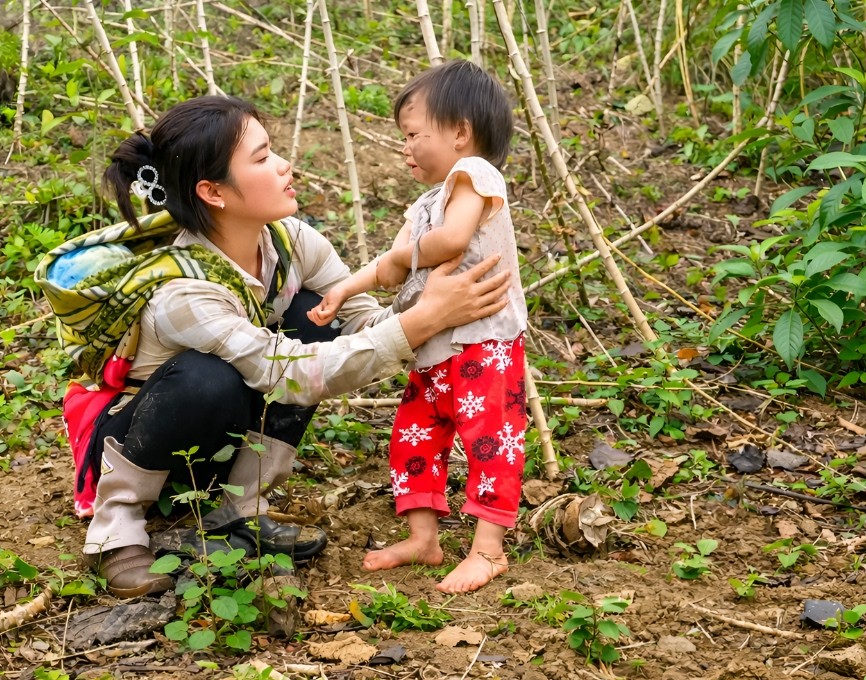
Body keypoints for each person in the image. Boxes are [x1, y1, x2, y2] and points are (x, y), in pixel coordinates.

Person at [66, 95, 511, 599]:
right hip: (140, 439)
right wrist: (424, 319)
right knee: (207, 377)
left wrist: (432, 309)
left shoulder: (290, 241)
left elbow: (359, 321)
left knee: (317, 313)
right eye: (261, 159)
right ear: (213, 192)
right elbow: (290, 375)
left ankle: (236, 509)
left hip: (211, 444)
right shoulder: (182, 292)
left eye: (272, 150)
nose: (284, 165)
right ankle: (117, 530)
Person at [307, 60, 528, 594]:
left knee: (490, 441)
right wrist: (344, 290)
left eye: (412, 135)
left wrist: (406, 253)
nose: (404, 148)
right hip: (433, 347)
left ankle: (487, 550)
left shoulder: (476, 176)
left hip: (484, 342)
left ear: (459, 133)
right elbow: (390, 267)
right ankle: (424, 538)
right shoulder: (427, 203)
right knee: (414, 438)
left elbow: (449, 243)